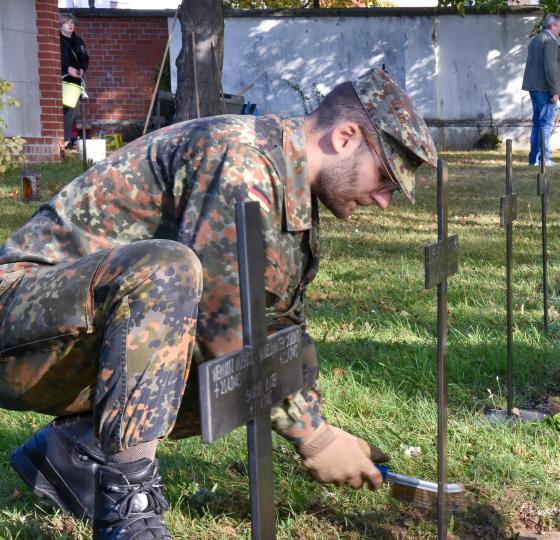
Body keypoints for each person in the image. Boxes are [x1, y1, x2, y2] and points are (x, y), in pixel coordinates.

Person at [0, 68, 436, 539]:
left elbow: (274, 334)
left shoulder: (291, 194)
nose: (385, 201)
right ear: (345, 136)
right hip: (22, 319)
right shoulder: (242, 160)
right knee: (169, 270)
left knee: (280, 360)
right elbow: (221, 316)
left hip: (86, 331)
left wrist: (321, 427)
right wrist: (312, 436)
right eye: (386, 178)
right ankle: (128, 509)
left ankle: (76, 452)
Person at [521, 13, 560, 167]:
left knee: (537, 124)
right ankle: (545, 159)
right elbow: (551, 69)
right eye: (559, 26)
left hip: (534, 87)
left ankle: (534, 159)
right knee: (545, 124)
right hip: (544, 89)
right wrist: (554, 91)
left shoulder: (536, 39)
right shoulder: (549, 41)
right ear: (553, 25)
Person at [60, 13, 89, 151]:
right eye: (66, 22)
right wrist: (66, 68)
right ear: (60, 24)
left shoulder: (78, 41)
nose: (70, 24)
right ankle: (63, 141)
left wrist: (82, 68)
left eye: (72, 22)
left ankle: (66, 142)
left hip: (75, 82)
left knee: (71, 112)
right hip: (61, 80)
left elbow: (85, 57)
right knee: (62, 111)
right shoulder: (56, 40)